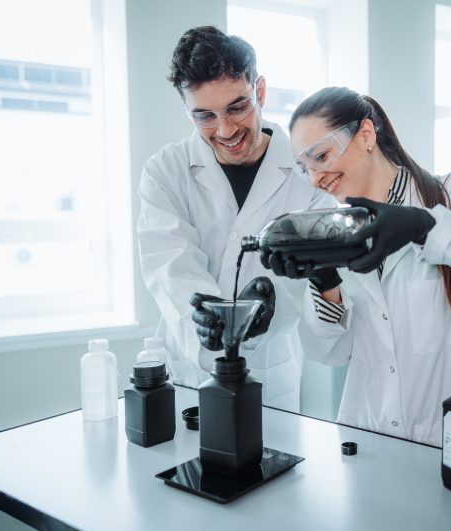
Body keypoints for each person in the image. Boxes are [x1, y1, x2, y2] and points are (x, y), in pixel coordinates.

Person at [263, 87, 451, 446]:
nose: (315, 178)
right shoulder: (338, 232)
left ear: (366, 134)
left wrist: (425, 227)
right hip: (367, 440)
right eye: (305, 168)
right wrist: (324, 280)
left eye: (321, 156)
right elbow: (330, 354)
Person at [137, 27, 332, 411]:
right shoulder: (166, 171)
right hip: (188, 371)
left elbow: (320, 271)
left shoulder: (308, 171)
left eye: (237, 107)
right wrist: (206, 313)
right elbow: (169, 265)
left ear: (260, 91)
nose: (225, 130)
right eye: (204, 115)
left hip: (270, 372)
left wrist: (275, 302)